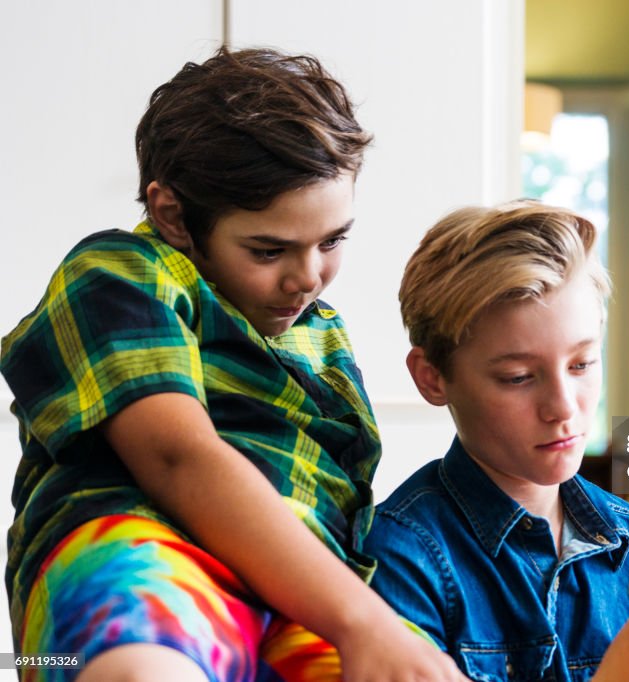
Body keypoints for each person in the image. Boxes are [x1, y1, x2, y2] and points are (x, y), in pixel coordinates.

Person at [0, 48, 466, 682]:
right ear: (173, 216)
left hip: (300, 589)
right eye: (269, 249)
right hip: (140, 545)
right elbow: (176, 457)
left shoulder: (323, 336)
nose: (307, 279)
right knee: (145, 672)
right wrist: (364, 620)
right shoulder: (121, 274)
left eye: (332, 242)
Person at [364, 201, 629, 682]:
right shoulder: (399, 560)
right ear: (432, 378)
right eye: (518, 377)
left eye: (581, 365)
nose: (564, 407)